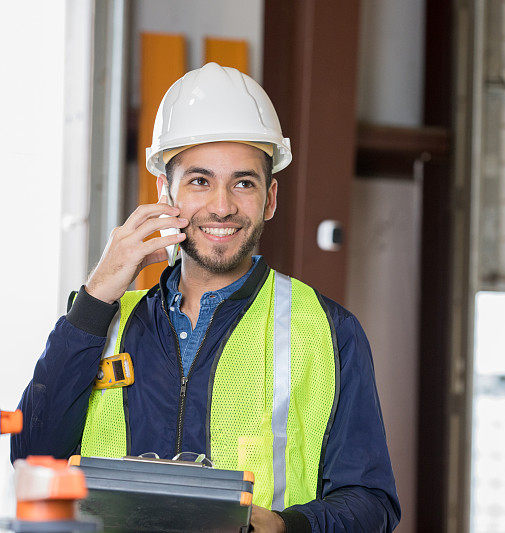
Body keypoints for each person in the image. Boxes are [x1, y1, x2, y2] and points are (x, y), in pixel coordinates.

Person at [11, 62, 401, 533]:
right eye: (200, 180)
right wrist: (96, 295)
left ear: (270, 198)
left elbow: (371, 503)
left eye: (244, 182)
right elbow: (32, 457)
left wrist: (286, 526)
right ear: (165, 191)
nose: (222, 205)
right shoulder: (103, 323)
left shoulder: (327, 331)